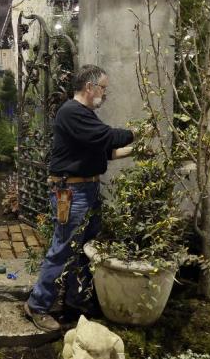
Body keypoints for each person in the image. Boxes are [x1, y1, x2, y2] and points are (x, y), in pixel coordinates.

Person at [24, 65, 135, 332]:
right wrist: (137, 132)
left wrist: (136, 150)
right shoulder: (72, 112)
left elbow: (102, 151)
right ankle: (37, 305)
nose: (105, 94)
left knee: (87, 248)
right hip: (71, 194)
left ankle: (75, 302)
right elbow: (107, 137)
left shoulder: (85, 116)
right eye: (103, 88)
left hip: (87, 191)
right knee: (62, 249)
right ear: (90, 87)